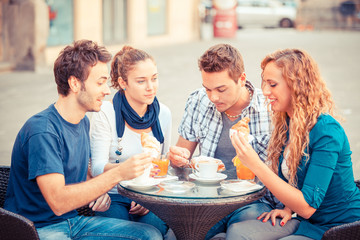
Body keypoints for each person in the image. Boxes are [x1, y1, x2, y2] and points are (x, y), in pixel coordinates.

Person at [4, 40, 162, 240]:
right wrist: (118, 173)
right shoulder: (43, 131)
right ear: (75, 83)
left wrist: (100, 189)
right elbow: (59, 202)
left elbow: (78, 173)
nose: (107, 91)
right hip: (36, 229)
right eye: (100, 82)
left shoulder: (82, 122)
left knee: (150, 235)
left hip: (75, 221)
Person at [228, 48, 360, 240]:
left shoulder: (327, 131)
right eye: (264, 82)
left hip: (342, 227)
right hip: (310, 222)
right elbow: (302, 179)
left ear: (297, 85)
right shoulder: (288, 123)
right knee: (239, 232)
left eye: (272, 84)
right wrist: (288, 208)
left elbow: (307, 207)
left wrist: (254, 164)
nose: (264, 91)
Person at [167, 43, 278, 239]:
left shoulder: (271, 108)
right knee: (177, 235)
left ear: (241, 79)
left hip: (253, 201)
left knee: (239, 233)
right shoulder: (197, 100)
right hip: (206, 198)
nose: (213, 97)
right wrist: (177, 159)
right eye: (207, 89)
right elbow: (181, 159)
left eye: (221, 89)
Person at [89, 46, 171, 237]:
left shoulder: (164, 114)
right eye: (141, 81)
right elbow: (97, 167)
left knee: (156, 232)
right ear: (122, 82)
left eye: (154, 78)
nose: (151, 87)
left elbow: (162, 163)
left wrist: (149, 196)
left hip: (150, 196)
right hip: (113, 195)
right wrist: (129, 171)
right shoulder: (106, 113)